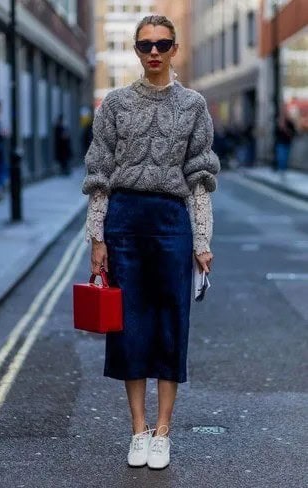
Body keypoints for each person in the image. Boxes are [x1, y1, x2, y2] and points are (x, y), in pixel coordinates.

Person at [82, 15, 220, 470]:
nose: (154, 52)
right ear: (136, 51)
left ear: (175, 49)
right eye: (145, 45)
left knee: (169, 324)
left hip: (170, 223)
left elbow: (200, 181)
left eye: (162, 44)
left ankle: (163, 432)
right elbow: (99, 177)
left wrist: (202, 240)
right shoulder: (116, 105)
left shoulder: (194, 105)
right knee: (129, 329)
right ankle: (137, 430)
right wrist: (96, 236)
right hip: (124, 222)